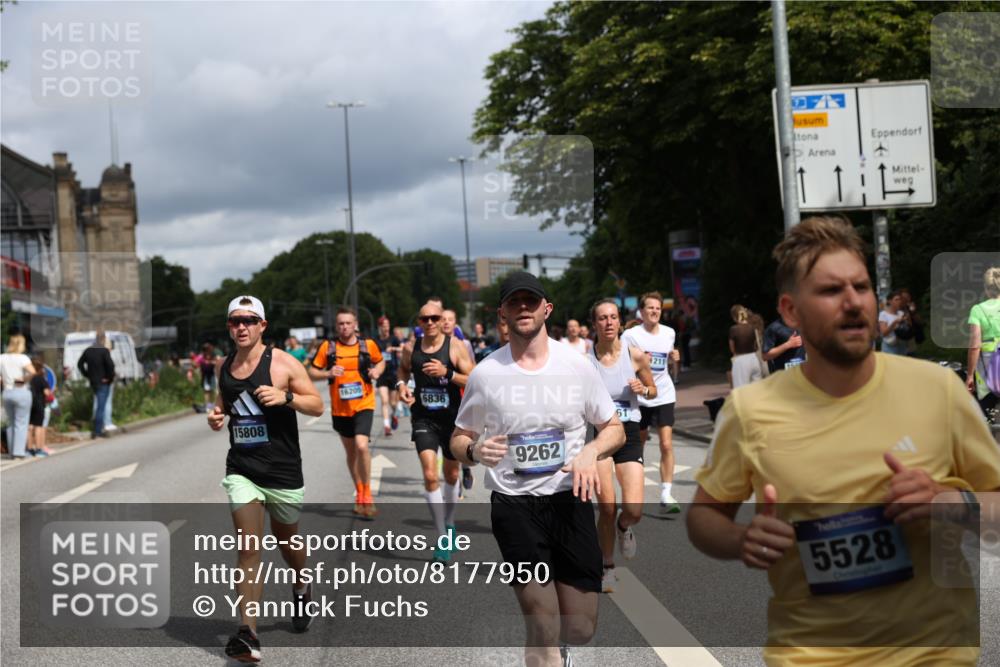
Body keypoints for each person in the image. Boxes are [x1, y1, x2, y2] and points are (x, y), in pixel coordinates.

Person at [686, 216, 1000, 666]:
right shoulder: (750, 410)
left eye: (861, 286)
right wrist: (741, 540)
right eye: (831, 291)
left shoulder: (938, 389)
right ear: (791, 311)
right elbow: (703, 518)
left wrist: (953, 502)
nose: (853, 302)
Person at [450, 272, 625, 667]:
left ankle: (561, 648)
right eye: (514, 302)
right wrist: (474, 450)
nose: (523, 308)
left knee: (580, 627)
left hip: (569, 500)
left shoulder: (577, 366)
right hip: (514, 505)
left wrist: (592, 451)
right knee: (542, 621)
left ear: (547, 308)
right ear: (502, 314)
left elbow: (614, 428)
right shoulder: (486, 374)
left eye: (531, 301)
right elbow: (458, 439)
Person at [207, 295, 324, 663]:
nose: (241, 327)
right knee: (248, 548)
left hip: (283, 470)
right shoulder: (223, 366)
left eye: (249, 320)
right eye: (235, 321)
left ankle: (302, 583)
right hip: (242, 469)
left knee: (287, 542)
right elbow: (224, 403)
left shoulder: (284, 363)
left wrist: (285, 397)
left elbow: (317, 405)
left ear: (262, 325)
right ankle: (248, 633)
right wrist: (216, 415)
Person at [397, 301, 475, 562]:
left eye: (434, 318)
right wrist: (401, 386)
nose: (429, 322)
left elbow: (473, 378)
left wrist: (447, 373)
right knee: (430, 475)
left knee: (451, 475)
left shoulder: (455, 346)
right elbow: (403, 369)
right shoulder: (411, 347)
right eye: (424, 319)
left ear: (442, 320)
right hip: (423, 419)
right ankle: (442, 537)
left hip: (451, 419)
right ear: (419, 323)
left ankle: (450, 522)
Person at [589, 299, 656, 592]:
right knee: (607, 506)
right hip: (600, 435)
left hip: (628, 433)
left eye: (613, 317)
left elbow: (653, 390)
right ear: (595, 324)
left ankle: (624, 527)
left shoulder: (635, 356)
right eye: (602, 318)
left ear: (619, 321)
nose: (608, 323)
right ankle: (607, 566)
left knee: (634, 509)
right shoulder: (585, 361)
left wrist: (644, 389)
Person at [308, 308, 385, 519]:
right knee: (351, 453)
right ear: (336, 326)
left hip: (364, 403)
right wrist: (328, 373)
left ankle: (367, 494)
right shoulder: (328, 347)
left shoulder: (367, 345)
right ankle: (359, 490)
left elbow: (380, 361)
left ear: (355, 324)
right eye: (341, 323)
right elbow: (312, 372)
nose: (344, 327)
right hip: (340, 409)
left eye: (348, 323)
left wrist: (377, 371)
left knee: (362, 446)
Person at [622, 292, 681, 514]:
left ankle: (666, 493)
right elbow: (622, 364)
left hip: (664, 393)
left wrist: (675, 360)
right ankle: (635, 488)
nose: (655, 311)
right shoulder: (630, 335)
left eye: (658, 308)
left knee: (666, 444)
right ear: (641, 311)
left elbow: (669, 365)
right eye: (650, 307)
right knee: (640, 444)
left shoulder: (669, 333)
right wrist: (638, 366)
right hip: (640, 396)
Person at [441, 308, 478, 492]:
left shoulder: (464, 344)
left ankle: (464, 470)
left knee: (459, 437)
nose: (446, 322)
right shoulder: (431, 344)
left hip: (462, 395)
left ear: (455, 323)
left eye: (450, 319)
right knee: (446, 442)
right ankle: (454, 481)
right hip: (440, 400)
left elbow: (473, 370)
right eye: (443, 319)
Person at [966, 266, 1000, 418]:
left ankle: (986, 431)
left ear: (986, 288)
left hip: (987, 366)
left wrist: (970, 375)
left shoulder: (978, 310)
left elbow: (975, 346)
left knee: (985, 409)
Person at [1, 334, 35, 459]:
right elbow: (32, 372)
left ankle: (12, 452)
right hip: (20, 391)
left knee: (11, 423)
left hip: (7, 392)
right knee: (21, 423)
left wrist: (5, 381)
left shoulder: (2, 357)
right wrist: (23, 379)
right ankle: (19, 452)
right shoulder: (23, 358)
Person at [77, 330, 115, 439]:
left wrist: (87, 374)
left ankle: (98, 428)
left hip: (93, 382)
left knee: (98, 405)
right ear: (103, 339)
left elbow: (80, 364)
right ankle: (97, 431)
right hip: (103, 382)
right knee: (101, 407)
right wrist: (109, 378)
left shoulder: (88, 351)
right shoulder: (104, 351)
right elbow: (110, 366)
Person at [374, 316, 403, 436]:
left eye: (387, 325)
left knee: (393, 403)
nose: (386, 328)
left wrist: (393, 349)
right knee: (384, 401)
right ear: (380, 327)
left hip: (393, 373)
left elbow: (402, 347)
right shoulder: (376, 341)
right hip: (381, 374)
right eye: (384, 326)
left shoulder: (393, 338)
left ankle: (394, 415)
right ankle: (386, 426)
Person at [730, 305, 764, 389]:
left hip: (741, 360)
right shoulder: (753, 328)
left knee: (741, 390)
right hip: (754, 359)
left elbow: (732, 349)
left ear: (735, 317)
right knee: (757, 389)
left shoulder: (734, 329)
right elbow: (756, 345)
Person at [27, 356, 53, 457]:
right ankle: (38, 449)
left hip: (29, 404)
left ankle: (29, 449)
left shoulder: (29, 379)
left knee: (29, 427)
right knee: (39, 426)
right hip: (39, 405)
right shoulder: (41, 379)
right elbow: (47, 393)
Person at [878, 290, 910, 355]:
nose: (899, 301)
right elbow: (883, 333)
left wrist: (907, 321)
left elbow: (908, 329)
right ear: (890, 301)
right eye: (896, 299)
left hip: (902, 346)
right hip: (889, 348)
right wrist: (894, 323)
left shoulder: (901, 313)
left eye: (900, 299)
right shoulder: (883, 314)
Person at [199, 342, 219, 410]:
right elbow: (195, 363)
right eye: (205, 349)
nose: (207, 351)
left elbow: (218, 362)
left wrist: (211, 362)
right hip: (206, 376)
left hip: (213, 375)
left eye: (207, 349)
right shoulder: (201, 357)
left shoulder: (214, 355)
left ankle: (215, 404)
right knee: (207, 391)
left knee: (215, 390)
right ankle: (208, 405)